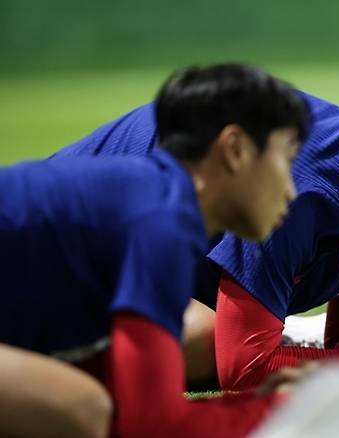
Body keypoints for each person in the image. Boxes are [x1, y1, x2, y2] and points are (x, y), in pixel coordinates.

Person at [55, 66, 339, 391]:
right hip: (56, 258)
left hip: (136, 270)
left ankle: (279, 328)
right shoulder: (300, 189)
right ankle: (280, 329)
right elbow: (245, 368)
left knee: (207, 337)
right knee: (202, 344)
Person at [0, 63, 308, 438]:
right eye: (287, 159)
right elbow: (151, 425)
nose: (292, 190)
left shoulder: (152, 198)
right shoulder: (162, 220)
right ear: (236, 149)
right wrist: (281, 412)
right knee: (82, 409)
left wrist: (253, 406)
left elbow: (135, 411)